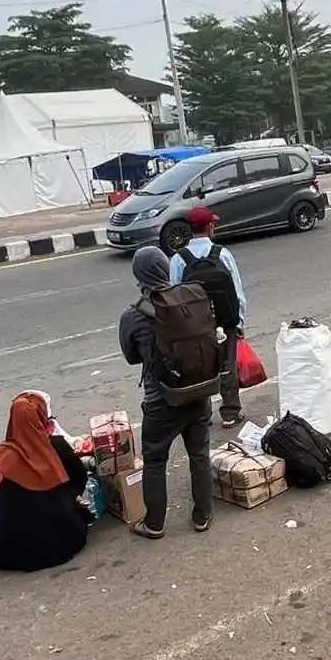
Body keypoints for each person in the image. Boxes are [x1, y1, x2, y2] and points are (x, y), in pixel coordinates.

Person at [120, 246, 214, 540]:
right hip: (198, 391)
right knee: (199, 454)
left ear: (139, 276)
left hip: (161, 400)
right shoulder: (192, 299)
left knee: (156, 461)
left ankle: (155, 524)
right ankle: (202, 515)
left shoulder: (134, 315)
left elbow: (132, 357)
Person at [0, 391, 89, 572]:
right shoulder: (57, 446)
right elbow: (80, 477)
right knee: (66, 491)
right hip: (64, 543)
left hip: (7, 553)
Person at [168, 206, 248, 429]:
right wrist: (240, 321)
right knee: (227, 365)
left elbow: (174, 295)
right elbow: (237, 291)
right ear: (210, 226)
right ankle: (230, 413)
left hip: (194, 325)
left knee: (197, 368)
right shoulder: (222, 254)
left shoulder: (178, 259)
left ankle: (199, 416)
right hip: (225, 321)